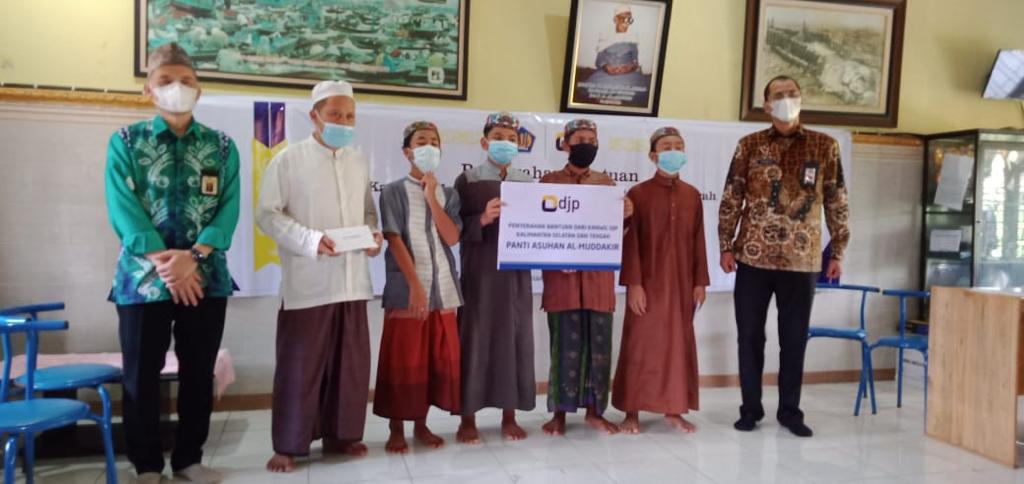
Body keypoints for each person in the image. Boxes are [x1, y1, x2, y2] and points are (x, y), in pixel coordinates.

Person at [105, 42, 239, 484]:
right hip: (143, 280)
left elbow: (228, 209)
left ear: (199, 90)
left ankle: (188, 460)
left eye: (186, 81)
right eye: (165, 81)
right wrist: (167, 264)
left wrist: (193, 257)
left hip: (205, 277)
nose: (176, 88)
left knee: (198, 373)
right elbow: (123, 208)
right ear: (148, 90)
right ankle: (146, 466)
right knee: (140, 376)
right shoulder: (126, 142)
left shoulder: (222, 147)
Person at [257, 80, 384, 471]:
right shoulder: (288, 160)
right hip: (308, 282)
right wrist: (311, 240)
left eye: (349, 116)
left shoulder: (358, 161)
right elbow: (267, 215)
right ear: (314, 116)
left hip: (352, 281)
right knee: (301, 367)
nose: (343, 122)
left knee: (350, 367)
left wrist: (373, 235)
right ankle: (288, 444)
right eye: (334, 115)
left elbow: (367, 211)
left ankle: (342, 435)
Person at [718, 75, 850, 438]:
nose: (787, 98)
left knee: (793, 340)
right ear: (767, 105)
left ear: (801, 99)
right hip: (753, 258)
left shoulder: (825, 146)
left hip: (802, 260)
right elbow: (732, 197)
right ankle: (750, 409)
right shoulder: (750, 145)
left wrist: (838, 250)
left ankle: (790, 411)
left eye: (792, 93)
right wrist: (725, 245)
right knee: (749, 336)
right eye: (779, 94)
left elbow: (837, 200)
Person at [612, 126, 709, 434]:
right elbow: (631, 244)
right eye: (667, 147)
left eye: (679, 146)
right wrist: (634, 284)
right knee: (639, 345)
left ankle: (674, 410)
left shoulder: (692, 195)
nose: (674, 151)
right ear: (653, 156)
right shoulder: (637, 194)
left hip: (681, 285)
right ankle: (631, 412)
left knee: (678, 346)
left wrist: (700, 282)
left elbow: (698, 241)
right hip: (647, 284)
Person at [538, 119, 632, 436]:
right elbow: (537, 230)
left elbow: (615, 234)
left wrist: (626, 216)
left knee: (599, 349)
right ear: (565, 144)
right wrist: (557, 256)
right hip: (561, 282)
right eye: (580, 139)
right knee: (563, 348)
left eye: (592, 140)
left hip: (598, 282)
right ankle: (559, 415)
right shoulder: (548, 182)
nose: (587, 145)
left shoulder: (607, 185)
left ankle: (595, 412)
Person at [374, 121, 462, 453]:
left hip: (444, 290)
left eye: (434, 142)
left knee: (431, 361)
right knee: (403, 360)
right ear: (407, 152)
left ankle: (421, 425)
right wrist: (415, 285)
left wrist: (431, 197)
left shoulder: (448, 194)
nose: (429, 147)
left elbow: (451, 237)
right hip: (407, 289)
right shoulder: (393, 191)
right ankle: (396, 428)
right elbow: (394, 238)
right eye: (421, 141)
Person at [453, 112, 536, 444]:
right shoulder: (467, 180)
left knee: (514, 340)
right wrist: (483, 219)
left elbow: (541, 229)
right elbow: (453, 228)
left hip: (516, 277)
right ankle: (467, 418)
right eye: (499, 137)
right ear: (485, 142)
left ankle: (509, 416)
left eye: (512, 139)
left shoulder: (526, 182)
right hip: (480, 274)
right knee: (474, 340)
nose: (506, 143)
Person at [582, 5, 648, 106]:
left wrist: (629, 68)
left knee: (640, 90)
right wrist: (606, 67)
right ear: (615, 19)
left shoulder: (633, 38)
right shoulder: (605, 37)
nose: (626, 22)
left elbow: (635, 60)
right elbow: (599, 59)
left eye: (629, 19)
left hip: (628, 74)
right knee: (591, 87)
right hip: (606, 73)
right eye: (623, 18)